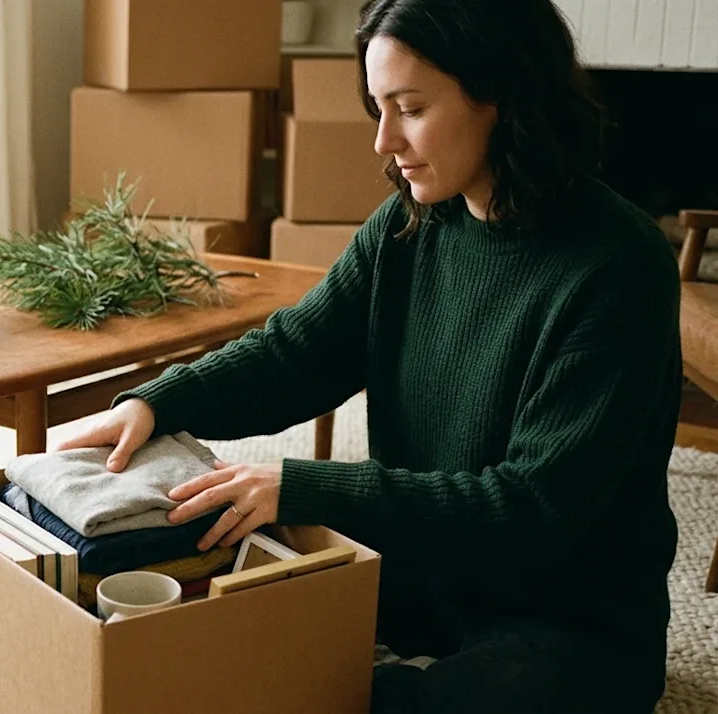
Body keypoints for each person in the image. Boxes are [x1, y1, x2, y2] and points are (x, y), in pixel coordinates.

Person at [53, 0, 681, 711]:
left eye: (409, 108)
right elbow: (300, 351)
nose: (384, 141)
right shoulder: (410, 225)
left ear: (501, 94)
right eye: (378, 107)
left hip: (569, 625)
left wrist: (303, 485)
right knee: (210, 641)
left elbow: (530, 511)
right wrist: (158, 400)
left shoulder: (619, 266)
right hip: (420, 574)